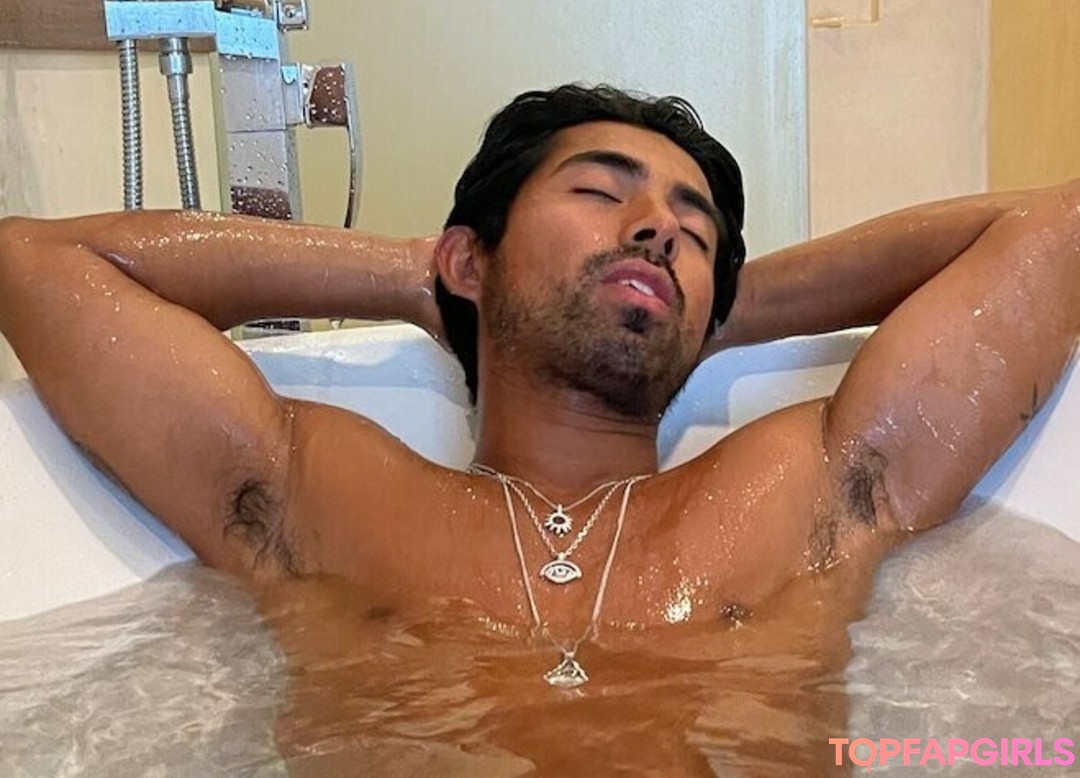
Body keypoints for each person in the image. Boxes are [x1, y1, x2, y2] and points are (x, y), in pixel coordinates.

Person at [1, 82, 1077, 771]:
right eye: (603, 194)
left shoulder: (800, 488)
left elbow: (1057, 231)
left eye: (694, 231)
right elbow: (37, 265)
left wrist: (715, 310)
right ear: (471, 256)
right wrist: (426, 276)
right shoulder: (321, 486)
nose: (657, 227)